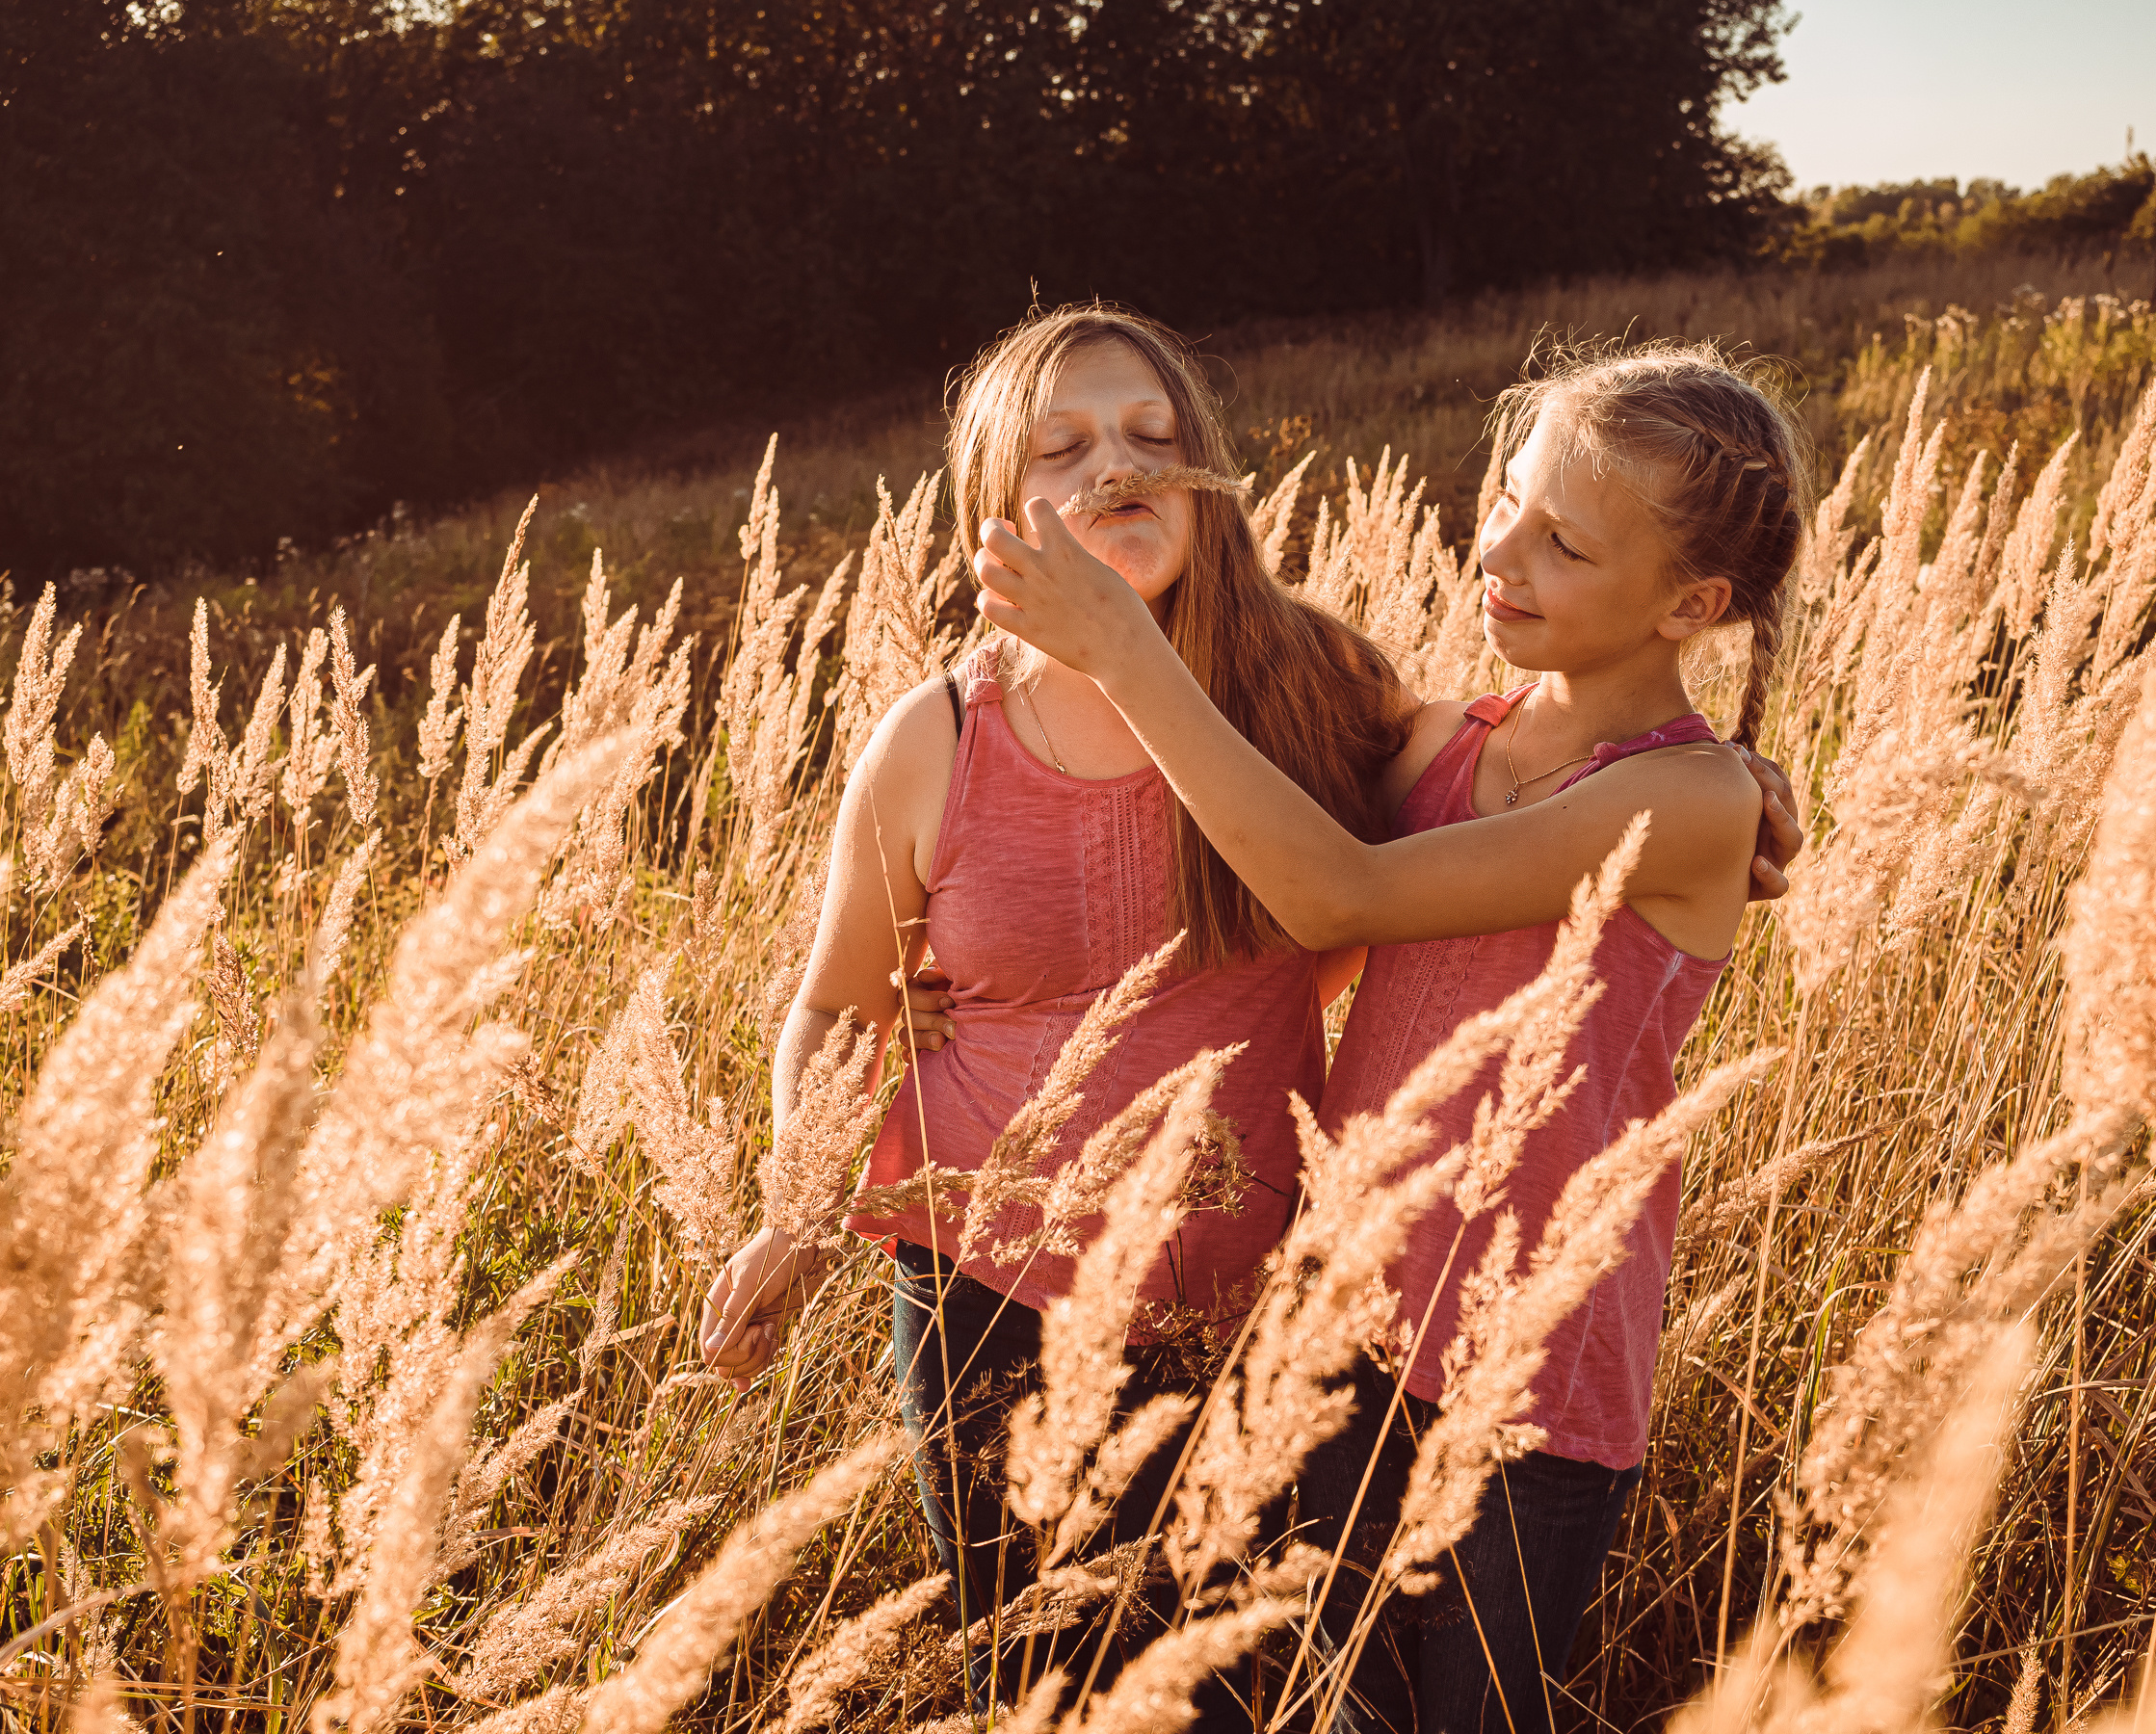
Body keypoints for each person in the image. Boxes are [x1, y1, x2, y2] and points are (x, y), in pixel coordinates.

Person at [968, 340, 1809, 1730]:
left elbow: (1334, 889)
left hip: (1527, 1370)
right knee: (1314, 1703)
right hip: (1346, 1325)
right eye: (1507, 501)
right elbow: (1241, 776)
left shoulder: (1689, 800)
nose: (1503, 550)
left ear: (1693, 602)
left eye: (1564, 545)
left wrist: (1119, 650)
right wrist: (962, 978)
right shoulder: (1445, 738)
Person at [696, 304, 1412, 1717]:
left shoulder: (1323, 688)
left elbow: (1505, 797)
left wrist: (1699, 774)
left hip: (1252, 1295)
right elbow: (840, 1005)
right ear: (992, 510)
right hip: (986, 1300)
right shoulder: (938, 738)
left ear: (1206, 480)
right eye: (1063, 446)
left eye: (1154, 438)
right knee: (1041, 1685)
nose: (1117, 468)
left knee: (1244, 1684)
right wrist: (797, 1202)